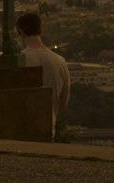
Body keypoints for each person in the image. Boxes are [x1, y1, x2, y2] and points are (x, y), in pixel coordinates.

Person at [17, 11, 70, 139]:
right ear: (41, 30)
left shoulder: (18, 60)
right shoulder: (60, 61)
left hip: (21, 129)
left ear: (21, 32)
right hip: (49, 129)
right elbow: (63, 102)